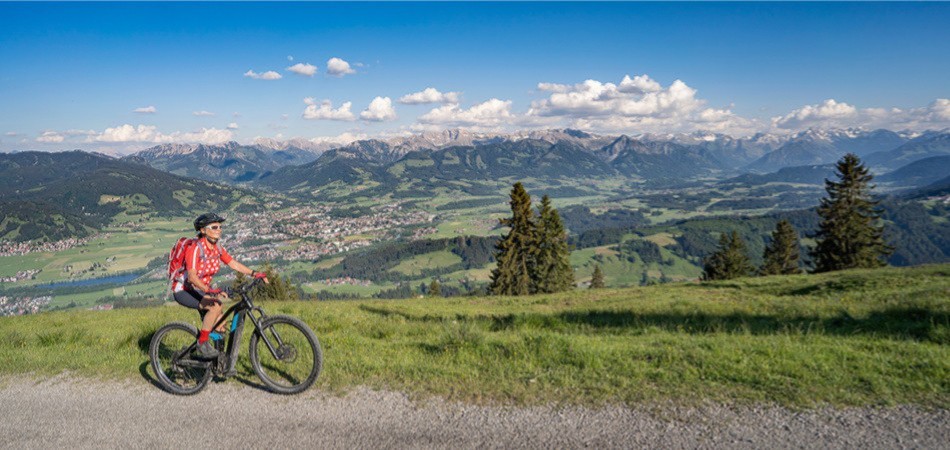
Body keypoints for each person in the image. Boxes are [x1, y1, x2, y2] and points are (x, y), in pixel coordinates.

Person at [172, 212, 268, 359]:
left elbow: (232, 263)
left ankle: (216, 363)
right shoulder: (195, 249)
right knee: (215, 306)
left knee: (220, 326)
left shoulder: (217, 248)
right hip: (184, 289)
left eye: (220, 227)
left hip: (200, 290)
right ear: (203, 230)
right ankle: (202, 343)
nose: (219, 230)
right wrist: (209, 290)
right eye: (214, 227)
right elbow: (192, 277)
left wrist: (254, 273)